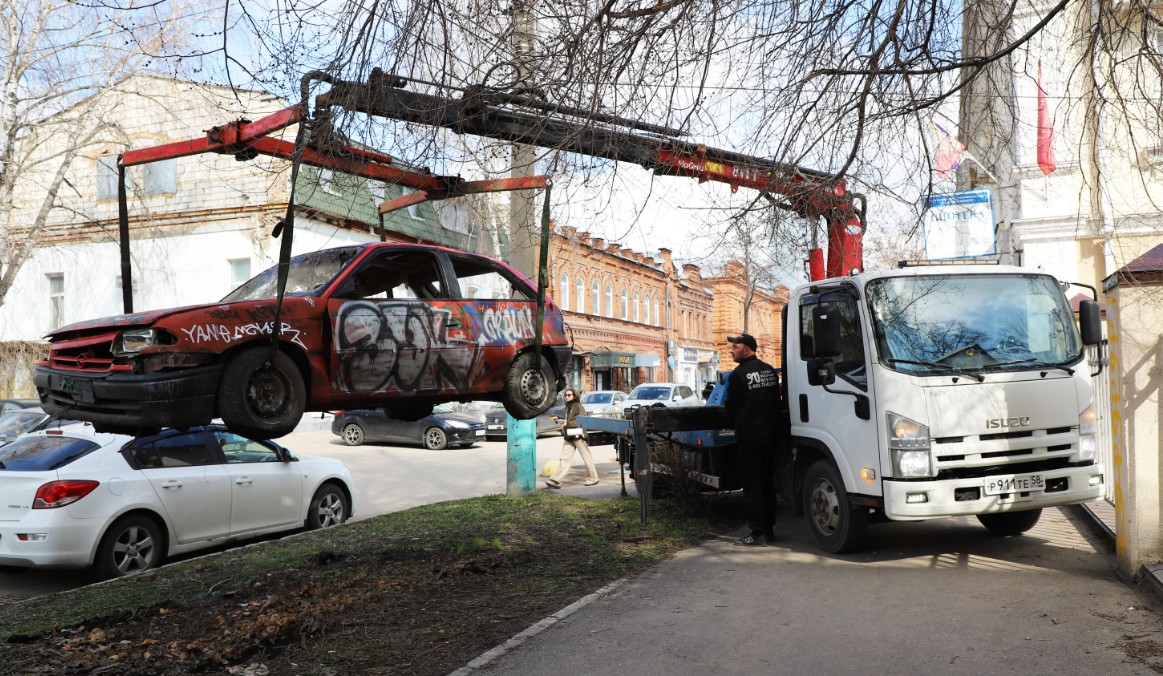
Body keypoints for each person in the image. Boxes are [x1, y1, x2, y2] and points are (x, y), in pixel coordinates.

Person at [724, 333, 781, 546]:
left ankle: (756, 533)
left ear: (746, 349)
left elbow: (731, 407)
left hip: (749, 436)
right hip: (770, 435)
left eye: (735, 347)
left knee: (752, 485)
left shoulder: (738, 375)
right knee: (768, 482)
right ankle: (769, 529)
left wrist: (733, 421)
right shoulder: (769, 371)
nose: (731, 350)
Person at [546, 388, 600, 488]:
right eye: (566, 395)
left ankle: (593, 478)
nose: (567, 397)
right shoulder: (567, 407)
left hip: (578, 435)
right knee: (564, 458)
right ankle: (555, 479)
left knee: (586, 457)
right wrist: (559, 420)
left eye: (569, 395)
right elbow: (567, 420)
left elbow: (581, 421)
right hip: (569, 436)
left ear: (574, 396)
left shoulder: (579, 406)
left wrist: (568, 423)